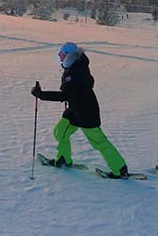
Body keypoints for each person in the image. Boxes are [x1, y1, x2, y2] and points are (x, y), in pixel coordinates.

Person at [31, 42, 129, 179]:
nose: (59, 56)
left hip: (86, 113)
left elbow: (66, 95)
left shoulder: (74, 71)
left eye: (62, 53)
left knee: (99, 142)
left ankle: (120, 170)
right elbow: (86, 84)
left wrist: (41, 94)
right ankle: (63, 160)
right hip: (75, 111)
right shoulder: (77, 65)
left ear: (69, 55)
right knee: (60, 132)